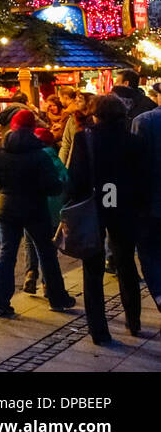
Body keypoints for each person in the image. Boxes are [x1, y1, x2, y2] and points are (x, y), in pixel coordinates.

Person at [0, 109, 76, 316]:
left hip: (5, 208)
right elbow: (53, 186)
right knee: (46, 252)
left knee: (7, 252)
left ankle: (0, 300)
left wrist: (0, 187)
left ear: (12, 128)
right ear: (32, 129)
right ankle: (57, 298)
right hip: (34, 208)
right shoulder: (39, 155)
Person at [65, 93, 143, 344]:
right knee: (126, 264)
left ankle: (99, 330)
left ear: (95, 114)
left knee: (92, 268)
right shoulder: (133, 141)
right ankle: (133, 320)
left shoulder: (84, 139)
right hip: (123, 207)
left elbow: (75, 178)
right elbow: (141, 178)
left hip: (93, 207)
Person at [21, 126, 68, 295]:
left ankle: (31, 273)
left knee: (29, 242)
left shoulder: (33, 159)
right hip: (55, 213)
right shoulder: (57, 161)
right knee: (49, 248)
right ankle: (48, 284)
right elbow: (67, 182)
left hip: (34, 209)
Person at [131, 100, 161, 311]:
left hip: (150, 202)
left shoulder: (144, 122)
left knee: (149, 252)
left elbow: (134, 166)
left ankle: (160, 295)